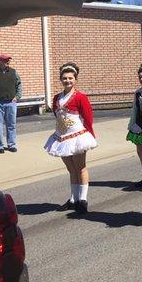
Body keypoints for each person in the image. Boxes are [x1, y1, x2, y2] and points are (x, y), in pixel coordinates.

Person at [44, 63, 97, 214]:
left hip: (77, 136)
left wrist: (90, 134)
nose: (67, 81)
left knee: (80, 168)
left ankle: (83, 199)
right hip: (61, 137)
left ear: (75, 79)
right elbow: (57, 115)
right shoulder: (56, 98)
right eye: (65, 78)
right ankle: (73, 199)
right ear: (61, 79)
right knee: (71, 169)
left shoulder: (80, 97)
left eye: (70, 78)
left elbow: (88, 117)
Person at [0, 53, 22, 153]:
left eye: (8, 60)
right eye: (5, 60)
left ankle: (11, 145)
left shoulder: (13, 72)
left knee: (11, 124)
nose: (8, 61)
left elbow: (19, 84)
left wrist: (17, 97)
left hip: (11, 102)